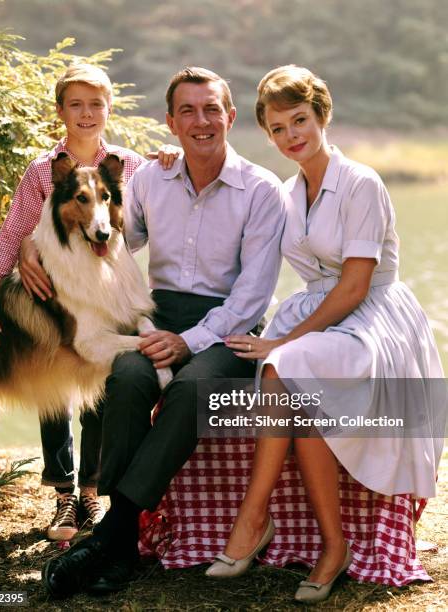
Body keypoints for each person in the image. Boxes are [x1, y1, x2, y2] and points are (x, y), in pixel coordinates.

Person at [41, 66, 285, 598]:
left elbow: (253, 295)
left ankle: (113, 534)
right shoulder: (150, 178)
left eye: (212, 109)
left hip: (230, 328)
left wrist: (190, 341)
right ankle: (123, 544)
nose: (202, 122)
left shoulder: (262, 191)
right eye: (189, 112)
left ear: (231, 117)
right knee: (127, 376)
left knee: (193, 388)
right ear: (170, 122)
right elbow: (120, 246)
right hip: (157, 315)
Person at [204, 65, 445, 603]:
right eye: (278, 128)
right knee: (282, 371)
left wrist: (283, 343)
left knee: (285, 364)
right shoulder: (288, 192)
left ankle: (253, 518)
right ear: (266, 134)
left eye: (300, 120)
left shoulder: (361, 182)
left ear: (322, 116)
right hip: (319, 312)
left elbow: (354, 286)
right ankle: (330, 545)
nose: (292, 135)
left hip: (374, 316)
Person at [0, 63, 146, 541]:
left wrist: (174, 154)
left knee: (101, 385)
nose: (87, 113)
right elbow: (14, 232)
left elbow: (158, 200)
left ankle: (93, 494)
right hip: (52, 296)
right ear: (60, 111)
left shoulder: (130, 164)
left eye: (96, 104)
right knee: (54, 384)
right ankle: (64, 498)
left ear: (109, 108)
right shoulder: (42, 170)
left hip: (107, 292)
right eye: (76, 104)